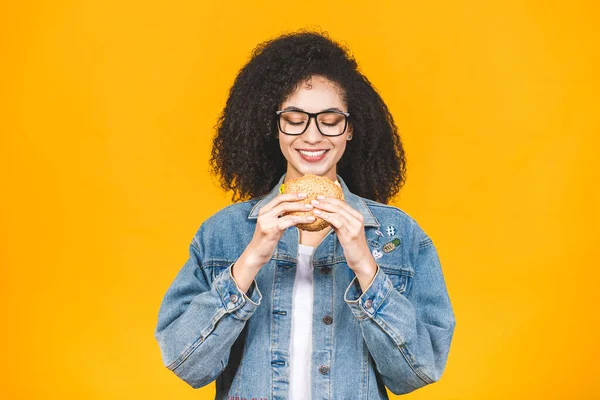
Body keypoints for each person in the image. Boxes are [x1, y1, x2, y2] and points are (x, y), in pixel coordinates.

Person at [154, 29, 456, 400]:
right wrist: (250, 261)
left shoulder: (399, 235)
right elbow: (185, 363)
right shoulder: (223, 233)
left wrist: (365, 268)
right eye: (295, 119)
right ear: (275, 128)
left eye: (329, 120)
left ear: (350, 130)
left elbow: (418, 371)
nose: (312, 136)